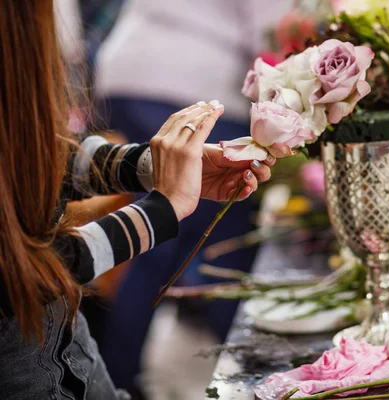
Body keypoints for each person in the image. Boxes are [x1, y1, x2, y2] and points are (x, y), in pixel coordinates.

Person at [0, 2, 273, 399]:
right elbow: (25, 270)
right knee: (203, 255)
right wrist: (159, 212)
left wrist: (156, 167)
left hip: (73, 357)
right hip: (32, 377)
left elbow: (44, 159)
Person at [93, 0, 292, 392]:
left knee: (155, 240)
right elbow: (274, 37)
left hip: (127, 71)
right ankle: (252, 376)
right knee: (219, 237)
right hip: (190, 86)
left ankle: (113, 374)